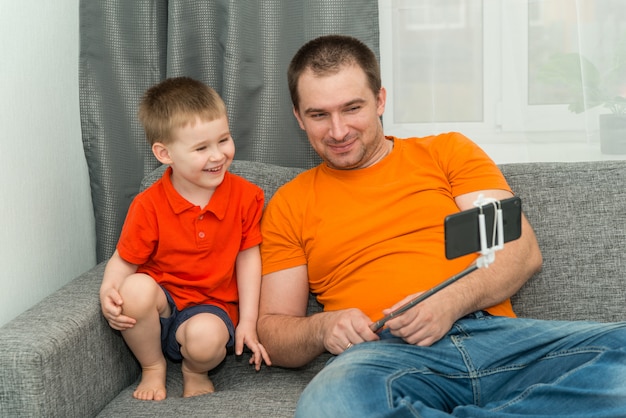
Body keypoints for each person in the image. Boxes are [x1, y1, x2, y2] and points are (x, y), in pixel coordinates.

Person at [257, 34, 626, 417]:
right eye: (319, 115)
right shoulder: (290, 202)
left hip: (498, 339)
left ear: (380, 100)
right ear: (299, 117)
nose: (337, 131)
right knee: (328, 406)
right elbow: (273, 329)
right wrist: (322, 328)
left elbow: (518, 249)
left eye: (352, 108)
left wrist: (448, 302)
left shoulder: (446, 153)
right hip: (385, 354)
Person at [100, 76, 270, 401]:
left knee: (205, 340)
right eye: (201, 148)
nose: (218, 155)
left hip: (211, 308)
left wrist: (249, 320)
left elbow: (248, 258)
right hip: (161, 306)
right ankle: (153, 366)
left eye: (224, 140)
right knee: (132, 289)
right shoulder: (148, 205)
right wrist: (108, 290)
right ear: (165, 153)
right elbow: (124, 260)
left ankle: (195, 371)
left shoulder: (246, 197)